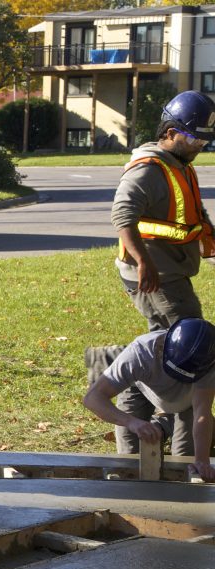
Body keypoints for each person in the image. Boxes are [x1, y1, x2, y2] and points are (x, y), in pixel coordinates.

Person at [108, 89, 215, 454]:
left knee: (165, 351)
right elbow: (122, 216)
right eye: (194, 138)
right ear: (170, 132)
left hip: (171, 272)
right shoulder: (148, 170)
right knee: (192, 354)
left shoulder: (179, 166)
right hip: (157, 277)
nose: (200, 145)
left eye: (204, 140)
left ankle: (144, 443)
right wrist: (144, 262)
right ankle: (185, 455)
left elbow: (191, 216)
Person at [83, 318, 215, 483]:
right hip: (140, 389)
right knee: (129, 462)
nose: (177, 380)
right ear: (162, 348)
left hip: (187, 404)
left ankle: (162, 425)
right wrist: (131, 422)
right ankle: (162, 424)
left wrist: (201, 460)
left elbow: (202, 412)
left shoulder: (208, 360)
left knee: (185, 463)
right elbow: (92, 398)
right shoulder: (140, 352)